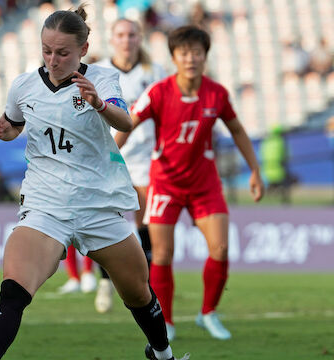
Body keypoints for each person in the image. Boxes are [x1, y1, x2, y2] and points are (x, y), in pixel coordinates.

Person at [0, 5, 188, 360]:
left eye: (62, 52)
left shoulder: (102, 79)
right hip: (45, 206)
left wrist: (99, 104)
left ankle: (163, 353)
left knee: (138, 293)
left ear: (82, 49)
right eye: (46, 51)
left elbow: (124, 122)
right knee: (14, 289)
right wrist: (2, 130)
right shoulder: (24, 86)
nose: (53, 59)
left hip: (98, 205)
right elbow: (14, 124)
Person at [117, 25, 264, 341]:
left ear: (205, 57)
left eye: (197, 52)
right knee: (163, 254)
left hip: (204, 184)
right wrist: (111, 156)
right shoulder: (158, 92)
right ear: (174, 57)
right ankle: (166, 323)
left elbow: (237, 130)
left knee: (221, 248)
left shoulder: (216, 93)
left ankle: (208, 313)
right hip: (166, 183)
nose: (191, 59)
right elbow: (128, 122)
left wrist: (254, 169)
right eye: (184, 53)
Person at [93, 17, 167, 314]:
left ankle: (144, 286)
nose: (127, 40)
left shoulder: (155, 72)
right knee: (105, 220)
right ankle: (103, 280)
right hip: (109, 155)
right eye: (121, 35)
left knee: (146, 224)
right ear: (112, 39)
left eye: (132, 35)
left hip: (146, 158)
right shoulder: (100, 73)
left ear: (141, 37)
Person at [260, 125, 295, 203]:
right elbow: (285, 154)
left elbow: (262, 153)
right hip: (279, 166)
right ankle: (285, 199)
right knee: (285, 183)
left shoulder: (266, 141)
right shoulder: (280, 141)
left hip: (268, 167)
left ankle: (269, 195)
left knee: (274, 183)